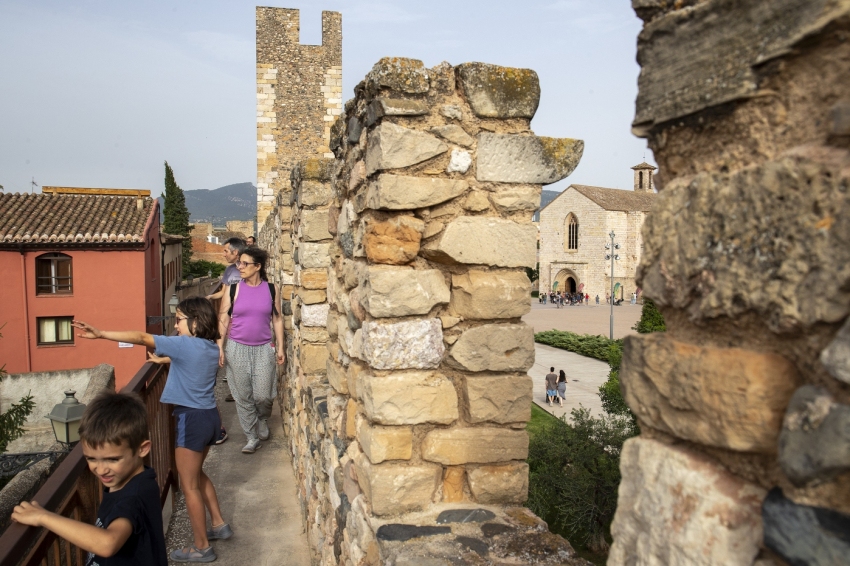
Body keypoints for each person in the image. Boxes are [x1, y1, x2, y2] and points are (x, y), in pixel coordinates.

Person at [71, 298, 231, 563]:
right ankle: (218, 523)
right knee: (197, 474)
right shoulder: (210, 347)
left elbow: (140, 336)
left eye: (179, 319)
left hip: (189, 419)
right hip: (210, 417)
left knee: (188, 485)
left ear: (194, 321)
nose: (176, 326)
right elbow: (189, 360)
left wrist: (101, 334)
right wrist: (164, 359)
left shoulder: (183, 344)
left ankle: (202, 547)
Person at [12, 391, 168, 565]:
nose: (100, 470)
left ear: (142, 449)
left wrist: (43, 517)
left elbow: (107, 544)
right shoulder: (131, 480)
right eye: (91, 458)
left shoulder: (134, 496)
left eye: (112, 459)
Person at [218, 246, 285, 454]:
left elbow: (277, 318)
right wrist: (220, 346)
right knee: (243, 395)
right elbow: (223, 318)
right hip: (237, 348)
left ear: (258, 266)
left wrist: (281, 346)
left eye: (244, 263)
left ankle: (263, 418)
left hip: (264, 348)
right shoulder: (233, 289)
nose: (240, 267)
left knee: (263, 395)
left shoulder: (271, 289)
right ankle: (251, 436)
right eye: (239, 263)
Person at [207, 237, 248, 409]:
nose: (223, 254)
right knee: (232, 354)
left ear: (235, 252)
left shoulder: (249, 270)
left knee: (244, 354)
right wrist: (209, 297)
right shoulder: (230, 271)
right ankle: (236, 389)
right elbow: (223, 293)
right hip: (230, 319)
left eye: (225, 251)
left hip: (245, 319)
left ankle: (245, 389)